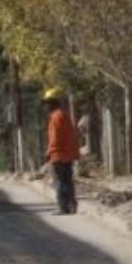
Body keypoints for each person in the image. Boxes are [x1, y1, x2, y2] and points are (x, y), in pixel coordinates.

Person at [43, 87, 80, 215]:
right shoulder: (64, 115)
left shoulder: (55, 117)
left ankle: (63, 207)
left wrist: (49, 152)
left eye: (48, 103)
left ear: (54, 102)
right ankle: (71, 205)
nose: (46, 106)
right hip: (68, 154)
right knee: (68, 180)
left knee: (59, 181)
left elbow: (55, 137)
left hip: (58, 154)